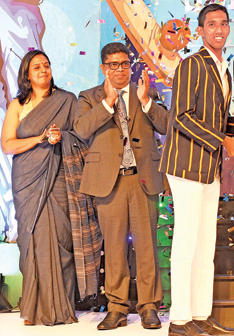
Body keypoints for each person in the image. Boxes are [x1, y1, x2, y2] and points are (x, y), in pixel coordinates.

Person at [160, 4, 234, 336]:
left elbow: (217, 118)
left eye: (224, 23)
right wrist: (223, 141)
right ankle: (180, 320)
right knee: (186, 242)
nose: (219, 29)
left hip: (208, 166)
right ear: (200, 31)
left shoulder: (225, 69)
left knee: (205, 243)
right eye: (211, 24)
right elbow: (180, 116)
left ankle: (201, 314)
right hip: (185, 165)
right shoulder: (191, 65)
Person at [74, 42, 168, 330]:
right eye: (113, 65)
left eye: (124, 64)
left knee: (147, 246)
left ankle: (149, 305)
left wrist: (147, 103)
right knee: (114, 248)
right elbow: (81, 129)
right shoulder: (89, 97)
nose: (120, 69)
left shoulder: (146, 92)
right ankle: (116, 308)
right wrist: (107, 103)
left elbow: (167, 126)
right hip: (109, 182)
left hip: (143, 179)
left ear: (131, 65)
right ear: (104, 68)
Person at [1, 50, 78, 325]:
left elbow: (80, 137)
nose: (44, 70)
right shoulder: (17, 105)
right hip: (27, 179)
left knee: (59, 238)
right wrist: (40, 138)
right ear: (27, 74)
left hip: (57, 176)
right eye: (37, 67)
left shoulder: (66, 101)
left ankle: (61, 307)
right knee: (30, 239)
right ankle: (34, 308)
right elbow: (8, 144)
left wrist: (61, 137)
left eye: (47, 65)